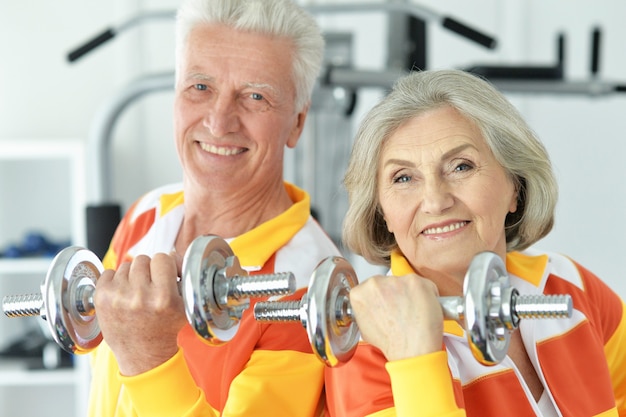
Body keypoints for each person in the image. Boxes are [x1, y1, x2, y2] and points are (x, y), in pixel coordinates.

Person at [88, 1, 340, 416]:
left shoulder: (308, 288)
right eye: (200, 87)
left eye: (255, 96)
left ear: (296, 122)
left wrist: (150, 359)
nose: (220, 122)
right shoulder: (146, 214)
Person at [325, 69, 626, 416]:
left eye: (461, 167)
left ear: (515, 186)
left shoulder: (570, 286)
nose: (435, 201)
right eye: (404, 177)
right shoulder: (363, 351)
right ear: (383, 213)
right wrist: (415, 359)